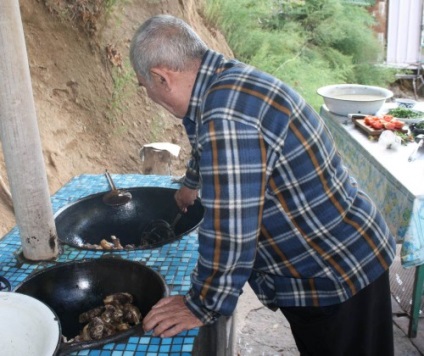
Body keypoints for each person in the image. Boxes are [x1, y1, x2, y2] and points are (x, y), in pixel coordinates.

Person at [129, 14, 396, 355]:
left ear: (161, 77)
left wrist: (202, 304)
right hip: (341, 249)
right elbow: (204, 144)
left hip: (337, 272)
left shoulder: (226, 116)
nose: (148, 94)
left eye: (144, 86)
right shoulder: (219, 82)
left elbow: (232, 231)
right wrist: (191, 183)